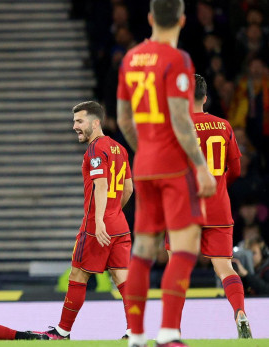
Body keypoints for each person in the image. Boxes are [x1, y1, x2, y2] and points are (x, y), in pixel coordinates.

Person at [116, 1, 217, 347]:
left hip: (143, 164)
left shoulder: (130, 59)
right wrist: (201, 167)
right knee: (185, 246)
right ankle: (170, 332)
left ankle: (137, 337)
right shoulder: (178, 60)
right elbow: (180, 118)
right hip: (174, 166)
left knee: (143, 250)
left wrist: (143, 149)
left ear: (149, 18)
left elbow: (124, 120)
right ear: (182, 20)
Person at [165, 75, 250, 338]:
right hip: (217, 207)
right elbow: (235, 170)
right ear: (205, 97)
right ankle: (240, 313)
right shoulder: (223, 126)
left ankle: (173, 330)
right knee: (224, 267)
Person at [42, 101, 133, 340]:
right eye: (74, 121)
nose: (75, 126)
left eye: (79, 121)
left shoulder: (95, 149)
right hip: (120, 225)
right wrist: (113, 213)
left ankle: (62, 331)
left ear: (95, 123)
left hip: (96, 226)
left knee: (78, 276)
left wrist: (101, 220)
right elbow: (129, 189)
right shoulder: (120, 149)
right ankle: (135, 330)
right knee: (122, 278)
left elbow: (101, 185)